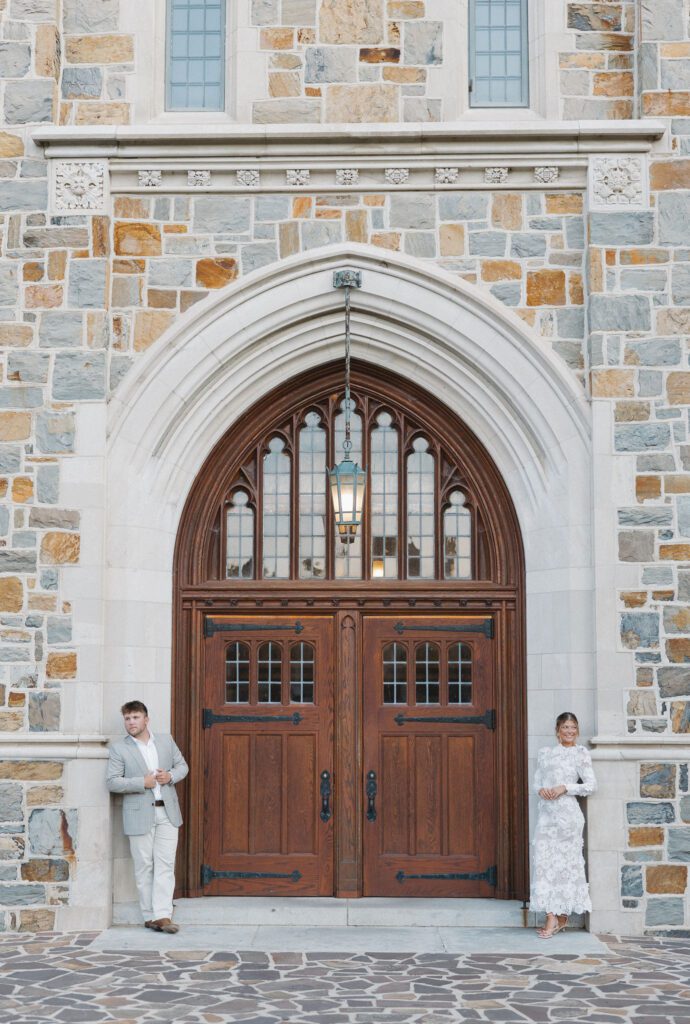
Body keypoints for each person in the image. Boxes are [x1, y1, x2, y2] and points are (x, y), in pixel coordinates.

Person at [107, 700, 189, 934]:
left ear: (146, 719)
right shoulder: (119, 748)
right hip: (138, 813)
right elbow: (112, 782)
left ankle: (163, 915)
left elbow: (183, 766)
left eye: (135, 717)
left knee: (165, 864)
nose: (131, 722)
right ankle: (149, 915)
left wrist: (170, 776)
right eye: (127, 718)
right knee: (144, 866)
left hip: (168, 812)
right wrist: (141, 782)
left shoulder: (165, 740)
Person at [530, 711, 597, 938]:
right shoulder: (545, 753)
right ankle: (552, 914)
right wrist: (542, 789)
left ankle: (558, 916)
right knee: (545, 863)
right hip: (547, 816)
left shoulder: (580, 753)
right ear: (558, 730)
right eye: (565, 727)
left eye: (573, 727)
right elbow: (536, 782)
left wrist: (565, 787)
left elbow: (590, 785)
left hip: (569, 817)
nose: (570, 731)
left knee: (565, 865)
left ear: (577, 731)